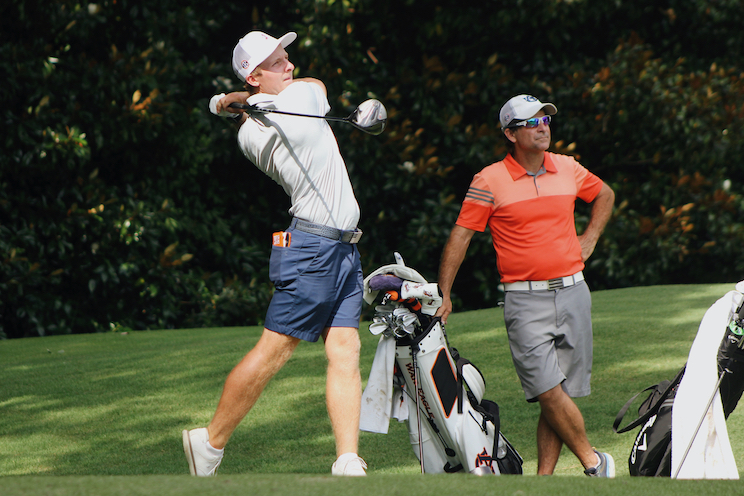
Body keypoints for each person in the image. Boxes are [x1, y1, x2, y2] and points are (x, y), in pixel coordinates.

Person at [182, 30, 367, 477]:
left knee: (345, 348)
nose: (290, 66)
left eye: (287, 57)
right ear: (254, 75)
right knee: (274, 351)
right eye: (278, 62)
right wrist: (244, 100)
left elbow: (272, 101)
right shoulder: (296, 103)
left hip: (341, 247)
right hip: (315, 250)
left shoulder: (252, 126)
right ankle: (209, 443)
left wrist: (238, 99)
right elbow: (316, 84)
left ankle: (346, 459)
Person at [435, 94, 616, 477]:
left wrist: (590, 238)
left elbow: (604, 194)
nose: (542, 128)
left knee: (557, 396)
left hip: (574, 293)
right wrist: (445, 292)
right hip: (524, 300)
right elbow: (462, 235)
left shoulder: (567, 167)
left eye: (545, 120)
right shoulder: (489, 180)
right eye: (532, 123)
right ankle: (594, 462)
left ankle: (542, 481)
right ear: (510, 133)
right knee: (547, 390)